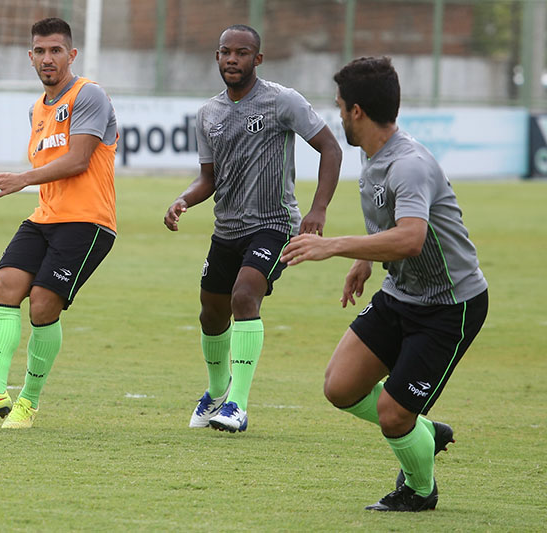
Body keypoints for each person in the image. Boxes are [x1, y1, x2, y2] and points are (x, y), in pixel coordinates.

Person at [280, 56, 489, 511]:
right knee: (340, 387)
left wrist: (335, 246)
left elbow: (412, 238)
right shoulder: (371, 153)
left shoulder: (408, 164)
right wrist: (364, 258)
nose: (337, 115)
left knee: (394, 414)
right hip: (401, 292)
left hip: (450, 305)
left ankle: (418, 489)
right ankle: (425, 432)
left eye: (339, 107)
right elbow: (391, 226)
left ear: (357, 111)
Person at [164, 25, 342, 434]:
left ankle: (238, 406)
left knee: (245, 295)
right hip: (226, 229)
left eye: (242, 53)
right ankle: (215, 392)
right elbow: (207, 178)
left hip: (274, 225)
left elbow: (330, 148)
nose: (232, 60)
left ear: (257, 60)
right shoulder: (207, 113)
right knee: (211, 312)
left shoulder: (282, 101)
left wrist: (318, 208)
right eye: (225, 52)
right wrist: (183, 200)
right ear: (217, 56)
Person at [0, 17, 118, 429]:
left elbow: (78, 161)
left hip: (89, 222)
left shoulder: (89, 95)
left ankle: (29, 401)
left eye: (56, 50)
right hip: (45, 217)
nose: (47, 59)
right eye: (40, 51)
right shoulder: (36, 110)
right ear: (30, 57)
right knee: (4, 286)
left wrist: (21, 179)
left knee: (42, 302)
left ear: (71, 55)